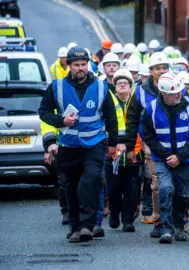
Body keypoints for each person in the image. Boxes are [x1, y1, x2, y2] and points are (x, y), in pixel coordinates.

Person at [38, 46, 121, 243]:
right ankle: (75, 227)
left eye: (84, 64)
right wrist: (61, 121)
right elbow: (43, 111)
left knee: (91, 180)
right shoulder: (57, 87)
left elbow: (111, 116)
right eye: (76, 65)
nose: (81, 68)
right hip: (68, 145)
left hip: (95, 143)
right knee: (71, 186)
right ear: (69, 65)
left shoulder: (101, 87)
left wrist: (113, 144)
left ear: (88, 65)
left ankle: (88, 225)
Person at [142, 72, 189, 243]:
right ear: (165, 94)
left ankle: (179, 225)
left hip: (184, 159)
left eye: (180, 90)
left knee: (183, 194)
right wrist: (168, 156)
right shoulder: (151, 109)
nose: (179, 94)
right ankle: (166, 228)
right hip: (162, 159)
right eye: (175, 92)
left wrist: (180, 157)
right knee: (165, 190)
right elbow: (149, 136)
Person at [125, 52, 171, 238]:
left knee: (176, 183)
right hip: (150, 143)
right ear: (150, 71)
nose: (161, 71)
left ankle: (177, 220)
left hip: (176, 142)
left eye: (164, 67)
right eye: (157, 68)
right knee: (157, 183)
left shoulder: (176, 86)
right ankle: (159, 222)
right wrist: (129, 146)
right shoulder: (140, 91)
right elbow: (132, 119)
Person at [105, 69, 143, 233]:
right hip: (112, 154)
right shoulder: (108, 104)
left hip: (133, 154)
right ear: (114, 86)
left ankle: (128, 220)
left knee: (131, 189)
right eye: (119, 82)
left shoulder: (137, 104)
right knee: (113, 188)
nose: (122, 84)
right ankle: (114, 212)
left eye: (125, 82)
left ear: (130, 86)